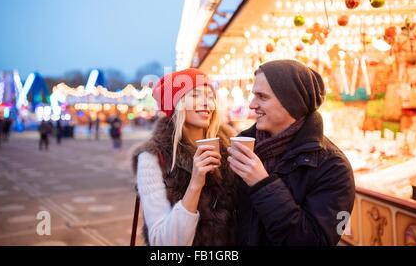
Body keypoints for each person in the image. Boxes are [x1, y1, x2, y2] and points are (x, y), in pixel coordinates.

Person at [228, 60, 355, 246]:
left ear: (291, 102)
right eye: (253, 95)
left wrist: (263, 184)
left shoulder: (333, 167)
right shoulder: (246, 146)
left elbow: (316, 241)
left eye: (262, 97)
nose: (252, 105)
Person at [132, 68, 238, 246]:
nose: (207, 103)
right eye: (195, 95)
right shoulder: (153, 158)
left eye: (210, 96)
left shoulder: (230, 149)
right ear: (177, 103)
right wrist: (195, 183)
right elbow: (162, 243)